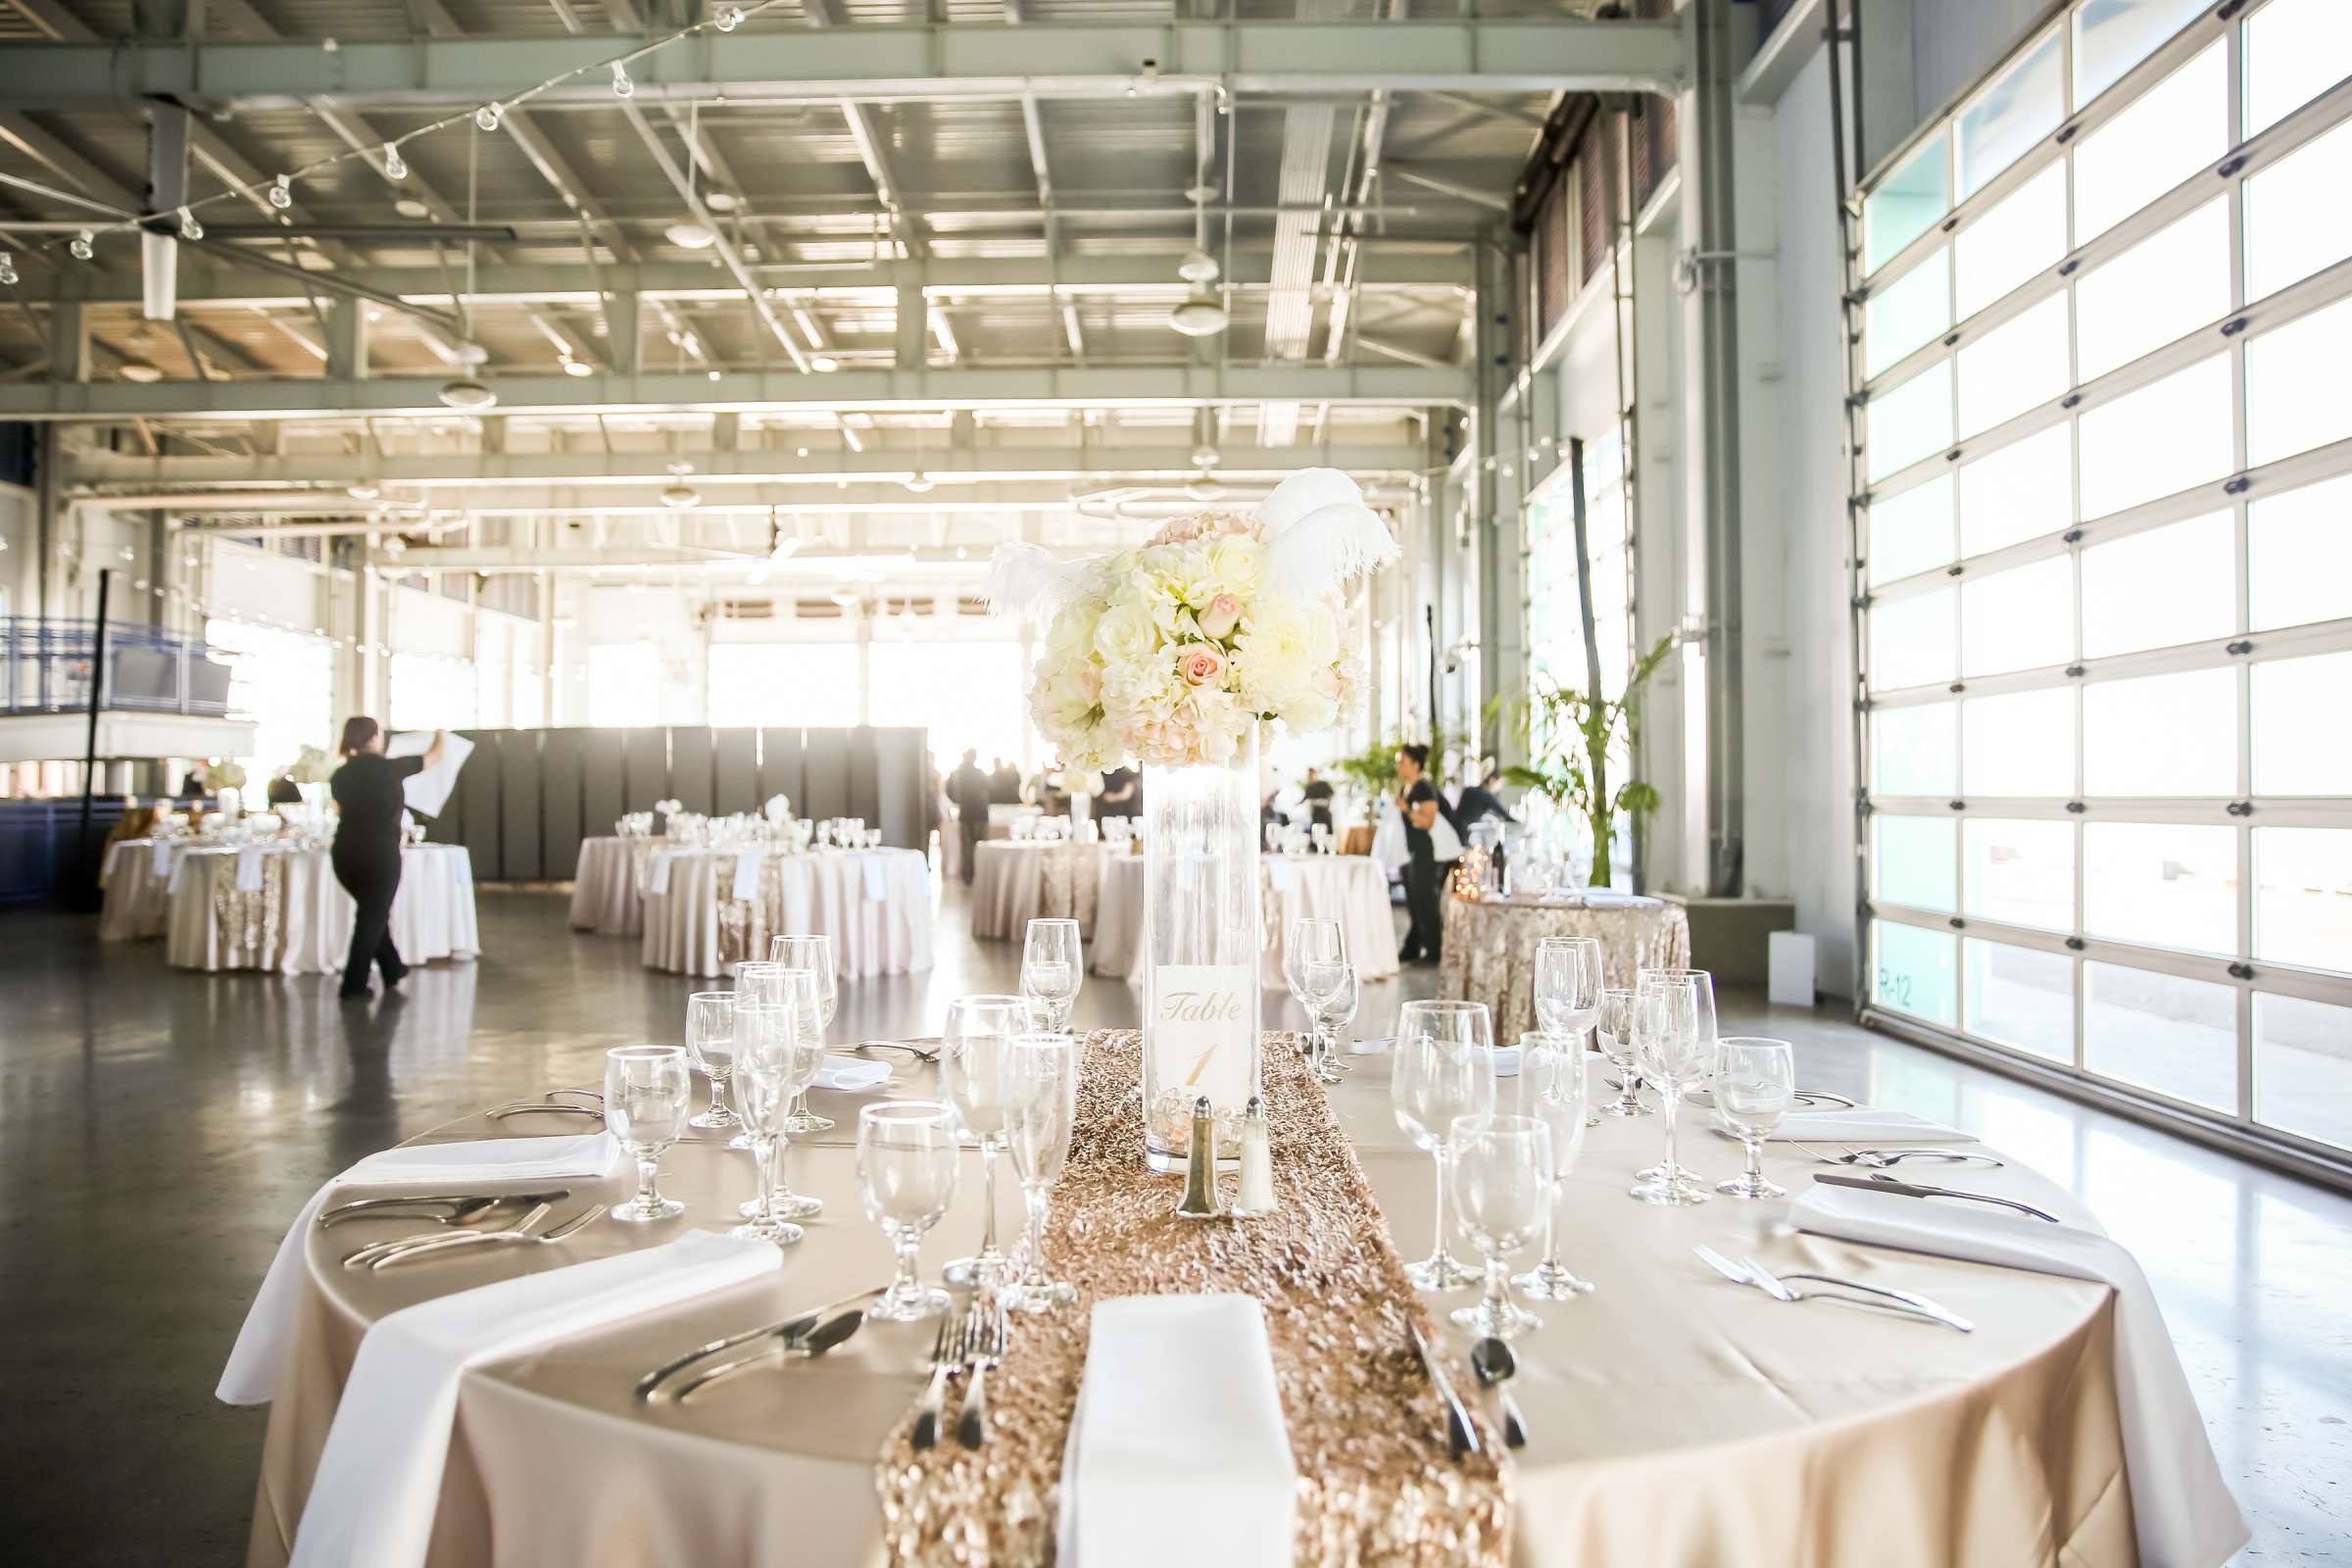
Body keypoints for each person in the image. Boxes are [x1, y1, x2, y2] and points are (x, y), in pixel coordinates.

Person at [329, 716, 445, 1000]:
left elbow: (338, 810)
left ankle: (392, 968)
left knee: (372, 912)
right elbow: (435, 756)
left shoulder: (339, 776)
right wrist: (441, 732)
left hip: (344, 853)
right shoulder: (389, 768)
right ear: (372, 737)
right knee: (372, 916)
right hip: (379, 852)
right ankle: (353, 985)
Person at [1394, 743, 1457, 966]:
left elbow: (1428, 821)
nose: (1398, 765)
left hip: (1430, 854)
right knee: (1415, 901)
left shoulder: (1425, 788)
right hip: (1413, 853)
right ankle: (1413, 947)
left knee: (1427, 901)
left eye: (1402, 761)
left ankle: (1434, 952)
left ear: (1415, 764)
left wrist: (1406, 809)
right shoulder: (1407, 789)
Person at [949, 749, 991, 885]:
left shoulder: (957, 774)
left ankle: (969, 877)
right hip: (980, 814)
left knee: (967, 849)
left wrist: (958, 800)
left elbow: (949, 790)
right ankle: (981, 876)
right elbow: (991, 788)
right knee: (981, 847)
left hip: (966, 813)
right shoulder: (980, 774)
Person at [1454, 760, 1515, 831]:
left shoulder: (1468, 790)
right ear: (1492, 780)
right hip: (1465, 835)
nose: (1499, 788)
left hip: (1454, 831)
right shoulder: (1486, 795)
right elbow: (1506, 816)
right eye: (1499, 784)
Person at [1299, 766, 1335, 832]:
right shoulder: (1309, 787)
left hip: (1325, 812)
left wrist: (1327, 802)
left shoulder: (1323, 784)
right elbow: (1304, 799)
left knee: (1327, 832)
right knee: (1315, 832)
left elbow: (1331, 793)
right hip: (1314, 814)